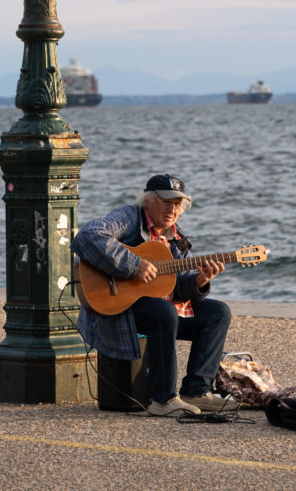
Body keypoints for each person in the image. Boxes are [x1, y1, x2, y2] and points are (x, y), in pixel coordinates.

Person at [71, 174, 237, 416]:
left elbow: (174, 287)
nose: (172, 210)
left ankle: (196, 391)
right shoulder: (129, 217)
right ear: (147, 201)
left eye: (177, 204)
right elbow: (88, 236)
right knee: (164, 313)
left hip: (156, 310)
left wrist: (199, 282)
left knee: (217, 313)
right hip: (116, 308)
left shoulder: (176, 238)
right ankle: (163, 399)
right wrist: (134, 265)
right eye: (165, 202)